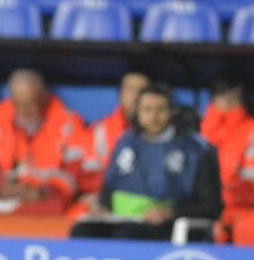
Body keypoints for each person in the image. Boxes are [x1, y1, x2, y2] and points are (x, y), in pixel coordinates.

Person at [71, 84, 223, 241]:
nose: (153, 116)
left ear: (172, 111)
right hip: (122, 220)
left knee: (126, 235)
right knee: (82, 231)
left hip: (166, 225)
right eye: (147, 110)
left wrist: (170, 212)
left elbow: (211, 205)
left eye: (160, 110)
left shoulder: (195, 150)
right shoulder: (126, 142)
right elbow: (109, 188)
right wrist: (101, 206)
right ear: (137, 113)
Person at [0, 69, 83, 215]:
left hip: (45, 197)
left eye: (30, 105)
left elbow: (73, 174)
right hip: (3, 193)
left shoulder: (68, 123)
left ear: (44, 98)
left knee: (60, 209)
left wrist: (44, 191)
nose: (24, 112)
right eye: (18, 105)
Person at [66, 71, 150, 217]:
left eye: (142, 90)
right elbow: (79, 174)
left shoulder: (165, 136)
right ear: (120, 95)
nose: (136, 96)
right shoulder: (99, 132)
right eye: (130, 89)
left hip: (145, 206)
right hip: (100, 201)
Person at [200, 78, 254, 243]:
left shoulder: (250, 130)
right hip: (207, 207)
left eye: (233, 94)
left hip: (244, 209)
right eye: (221, 93)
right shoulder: (202, 130)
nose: (227, 99)